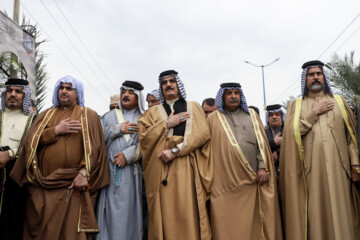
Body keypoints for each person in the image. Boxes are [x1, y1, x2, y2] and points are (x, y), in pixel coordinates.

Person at [10, 75, 109, 239]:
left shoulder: (88, 115)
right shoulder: (45, 115)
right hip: (43, 185)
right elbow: (30, 143)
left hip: (72, 185)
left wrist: (84, 172)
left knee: (70, 233)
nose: (64, 91)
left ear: (78, 93)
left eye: (69, 88)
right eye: (61, 88)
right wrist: (55, 131)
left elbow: (96, 148)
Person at [279, 60, 360, 240]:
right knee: (316, 215)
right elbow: (291, 137)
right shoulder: (296, 105)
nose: (315, 77)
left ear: (324, 77)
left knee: (342, 213)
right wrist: (313, 113)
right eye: (311, 74)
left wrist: (355, 165)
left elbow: (351, 136)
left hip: (341, 171)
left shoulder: (338, 101)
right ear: (305, 79)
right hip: (311, 172)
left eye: (318, 73)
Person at [138, 70, 212, 240]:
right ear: (161, 88)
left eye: (172, 81)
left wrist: (176, 150)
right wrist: (166, 124)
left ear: (179, 85)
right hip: (160, 170)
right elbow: (144, 138)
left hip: (187, 168)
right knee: (165, 215)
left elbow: (201, 135)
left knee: (187, 213)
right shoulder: (151, 112)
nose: (169, 85)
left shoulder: (193, 107)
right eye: (164, 83)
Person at [207, 82, 282, 240]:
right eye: (229, 93)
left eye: (236, 93)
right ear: (223, 96)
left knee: (254, 225)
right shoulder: (213, 119)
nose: (233, 96)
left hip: (252, 182)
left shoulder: (252, 116)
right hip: (225, 185)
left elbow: (261, 146)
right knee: (229, 227)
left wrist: (262, 167)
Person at [96, 80, 145, 239]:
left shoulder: (146, 118)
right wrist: (117, 130)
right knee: (108, 214)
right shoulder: (109, 117)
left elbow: (150, 144)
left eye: (131, 92)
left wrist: (128, 155)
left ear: (138, 97)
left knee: (129, 215)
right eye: (124, 91)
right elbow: (95, 139)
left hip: (132, 175)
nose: (126, 95)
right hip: (109, 174)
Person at [0, 78, 35, 240]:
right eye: (9, 91)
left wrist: (11, 153)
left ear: (25, 95)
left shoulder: (33, 120)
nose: (13, 94)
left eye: (18, 91)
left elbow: (34, 146)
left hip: (15, 182)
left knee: (11, 226)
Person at [265, 104, 285, 175]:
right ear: (268, 118)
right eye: (271, 115)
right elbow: (261, 148)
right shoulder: (263, 132)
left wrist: (279, 153)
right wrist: (274, 142)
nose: (274, 117)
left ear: (281, 117)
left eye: (277, 114)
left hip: (286, 170)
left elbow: (293, 146)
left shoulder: (288, 131)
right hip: (269, 172)